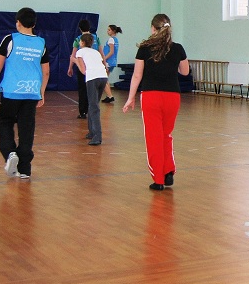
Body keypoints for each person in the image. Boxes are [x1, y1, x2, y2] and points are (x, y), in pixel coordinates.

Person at [122, 14, 189, 191]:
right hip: (172, 97)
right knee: (166, 135)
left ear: (153, 28)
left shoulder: (145, 48)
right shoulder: (178, 48)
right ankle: (168, 171)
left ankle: (158, 179)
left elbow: (137, 75)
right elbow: (185, 72)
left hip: (151, 96)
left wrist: (130, 97)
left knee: (154, 138)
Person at [0, 7, 50, 180]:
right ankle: (25, 169)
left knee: (5, 123)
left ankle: (10, 153)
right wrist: (41, 92)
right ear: (34, 24)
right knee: (26, 129)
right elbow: (46, 71)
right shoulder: (41, 43)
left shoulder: (10, 39)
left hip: (11, 92)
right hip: (31, 92)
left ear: (18, 23)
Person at [73, 32, 109, 145]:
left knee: (93, 107)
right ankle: (92, 132)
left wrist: (75, 61)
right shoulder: (96, 52)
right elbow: (102, 64)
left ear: (82, 42)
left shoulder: (80, 52)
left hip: (92, 78)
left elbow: (83, 70)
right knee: (93, 104)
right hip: (103, 77)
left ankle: (97, 136)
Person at [67, 19, 99, 119]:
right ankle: (92, 110)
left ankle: (83, 112)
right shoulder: (96, 38)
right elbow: (101, 52)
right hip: (94, 67)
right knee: (92, 89)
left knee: (82, 89)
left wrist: (70, 67)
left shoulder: (78, 39)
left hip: (83, 67)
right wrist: (104, 65)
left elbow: (73, 55)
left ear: (80, 28)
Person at [100, 24, 121, 104]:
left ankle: (110, 96)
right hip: (112, 62)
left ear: (113, 31)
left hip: (108, 62)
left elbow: (111, 52)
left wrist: (104, 59)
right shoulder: (116, 40)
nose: (107, 31)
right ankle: (108, 96)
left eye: (109, 30)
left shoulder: (111, 40)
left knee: (104, 79)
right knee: (105, 78)